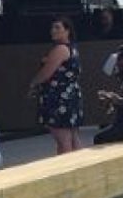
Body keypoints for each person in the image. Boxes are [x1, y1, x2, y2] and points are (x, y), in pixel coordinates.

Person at [28, 16, 84, 153]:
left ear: (67, 31)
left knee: (63, 140)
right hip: (70, 96)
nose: (53, 31)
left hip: (59, 99)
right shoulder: (72, 49)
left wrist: (33, 83)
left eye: (58, 27)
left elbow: (46, 73)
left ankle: (66, 169)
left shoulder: (60, 49)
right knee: (73, 138)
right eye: (52, 28)